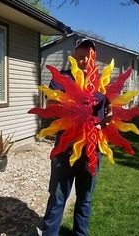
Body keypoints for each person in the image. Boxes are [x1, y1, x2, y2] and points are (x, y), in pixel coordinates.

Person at [41, 38, 112, 236]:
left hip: (92, 150)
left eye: (88, 58)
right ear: (72, 55)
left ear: (93, 60)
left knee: (85, 199)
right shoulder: (61, 78)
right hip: (65, 149)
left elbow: (109, 109)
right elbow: (50, 105)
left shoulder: (101, 82)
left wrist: (108, 118)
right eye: (80, 56)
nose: (83, 61)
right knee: (57, 198)